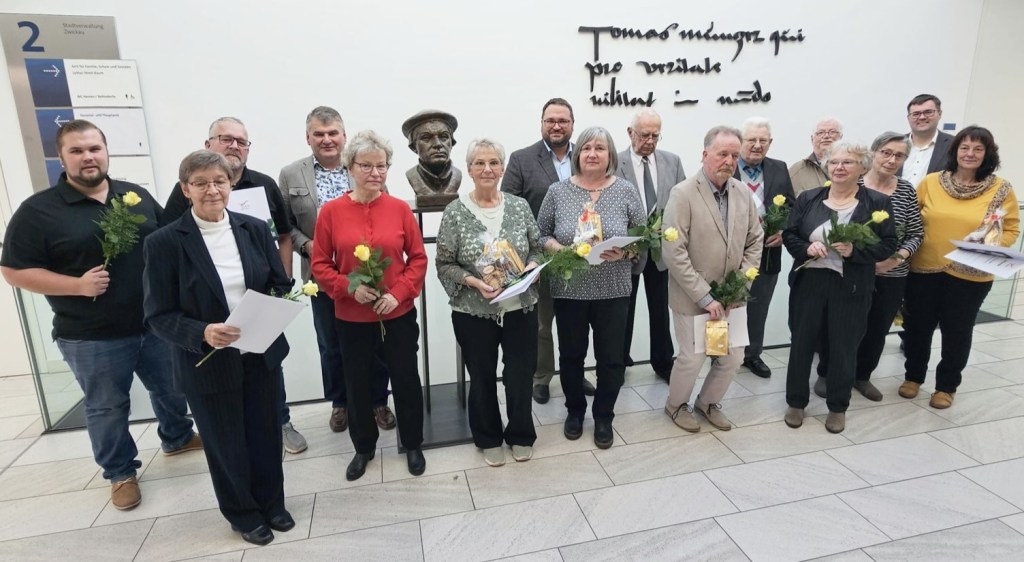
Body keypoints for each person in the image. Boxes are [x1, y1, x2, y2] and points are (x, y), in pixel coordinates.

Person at [0, 120, 200, 512]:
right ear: (61, 158)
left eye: (94, 148)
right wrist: (76, 286)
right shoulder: (38, 211)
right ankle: (120, 472)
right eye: (76, 151)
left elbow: (168, 239)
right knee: (107, 406)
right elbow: (13, 270)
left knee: (172, 388)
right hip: (91, 335)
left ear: (106, 151)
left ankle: (177, 437)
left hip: (153, 323)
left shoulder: (134, 195)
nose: (87, 157)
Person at [143, 150, 292, 546]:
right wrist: (201, 332)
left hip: (259, 353)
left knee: (265, 433)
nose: (212, 190)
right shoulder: (164, 243)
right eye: (201, 183)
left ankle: (272, 503)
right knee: (226, 443)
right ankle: (242, 513)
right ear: (185, 189)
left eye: (220, 182)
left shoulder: (254, 228)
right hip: (206, 361)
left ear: (231, 185)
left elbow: (278, 281)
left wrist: (279, 302)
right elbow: (158, 315)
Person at [161, 117, 306, 454]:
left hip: (258, 297)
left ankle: (280, 420)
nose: (234, 146)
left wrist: (281, 282)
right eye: (226, 139)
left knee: (267, 365)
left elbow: (283, 235)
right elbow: (166, 241)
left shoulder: (265, 184)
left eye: (242, 141)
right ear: (208, 143)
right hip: (208, 310)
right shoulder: (185, 190)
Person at [310, 130, 428, 480]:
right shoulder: (331, 212)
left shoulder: (400, 209)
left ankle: (413, 443)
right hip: (352, 316)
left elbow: (418, 259)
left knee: (405, 379)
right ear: (349, 166)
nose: (376, 173)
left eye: (382, 166)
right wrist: (348, 287)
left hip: (398, 313)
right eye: (367, 166)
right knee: (357, 383)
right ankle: (363, 447)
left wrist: (399, 293)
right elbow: (319, 264)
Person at [278, 106, 394, 434]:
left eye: (333, 133)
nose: (327, 140)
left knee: (374, 341)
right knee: (331, 343)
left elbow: (383, 210)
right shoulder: (291, 174)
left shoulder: (363, 167)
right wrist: (308, 246)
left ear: (344, 136)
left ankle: (378, 401)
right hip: (322, 276)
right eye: (319, 134)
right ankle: (340, 402)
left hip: (368, 274)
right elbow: (285, 225)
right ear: (308, 138)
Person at [537, 126, 645, 449]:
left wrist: (624, 251)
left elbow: (642, 237)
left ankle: (603, 416)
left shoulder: (625, 190)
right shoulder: (558, 191)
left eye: (600, 148)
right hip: (570, 290)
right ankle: (574, 411)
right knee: (571, 355)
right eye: (586, 148)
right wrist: (561, 250)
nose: (593, 154)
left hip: (614, 289)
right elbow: (540, 235)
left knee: (611, 358)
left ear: (610, 154)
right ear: (577, 155)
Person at [436, 138, 542, 466]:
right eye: (480, 163)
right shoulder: (455, 212)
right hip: (473, 311)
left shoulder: (519, 206)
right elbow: (444, 263)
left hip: (519, 308)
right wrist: (472, 281)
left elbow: (536, 247)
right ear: (468, 170)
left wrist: (533, 266)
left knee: (520, 375)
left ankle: (521, 433)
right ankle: (488, 437)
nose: (487, 169)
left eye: (494, 162)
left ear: (503, 168)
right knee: (481, 377)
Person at [900, 126, 1019, 409]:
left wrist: (991, 240)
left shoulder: (1000, 189)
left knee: (958, 330)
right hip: (925, 267)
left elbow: (1011, 227)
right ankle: (913, 377)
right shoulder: (931, 182)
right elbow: (911, 218)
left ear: (988, 154)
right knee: (918, 326)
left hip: (971, 273)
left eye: (978, 149)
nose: (970, 154)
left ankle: (946, 386)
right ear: (954, 152)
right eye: (964, 147)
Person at [783, 141, 897, 434]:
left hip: (852, 287)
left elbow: (888, 244)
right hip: (810, 283)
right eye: (834, 162)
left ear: (862, 167)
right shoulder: (809, 198)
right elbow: (790, 235)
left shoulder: (877, 204)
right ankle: (796, 402)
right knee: (802, 344)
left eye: (847, 162)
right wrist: (808, 248)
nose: (839, 167)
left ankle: (838, 406)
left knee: (844, 347)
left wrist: (854, 252)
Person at [661, 126, 763, 433]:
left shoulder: (743, 193)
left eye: (734, 155)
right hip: (694, 297)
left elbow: (755, 242)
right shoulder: (683, 193)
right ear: (705, 154)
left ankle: (708, 403)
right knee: (692, 358)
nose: (729, 161)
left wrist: (739, 287)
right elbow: (673, 250)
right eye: (722, 154)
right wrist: (706, 297)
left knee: (732, 358)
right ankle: (676, 405)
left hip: (732, 298)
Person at [502, 98, 595, 404]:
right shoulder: (521, 159)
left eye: (563, 121)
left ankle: (575, 372)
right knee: (543, 324)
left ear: (572, 124)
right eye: (550, 120)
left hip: (581, 259)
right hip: (539, 257)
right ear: (541, 123)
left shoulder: (586, 157)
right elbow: (509, 209)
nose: (557, 126)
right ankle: (541, 377)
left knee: (577, 323)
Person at [819, 133, 923, 401]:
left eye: (899, 155)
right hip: (851, 270)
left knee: (877, 327)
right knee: (838, 325)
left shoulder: (906, 190)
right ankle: (826, 372)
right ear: (872, 155)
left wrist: (895, 258)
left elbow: (916, 234)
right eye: (886, 153)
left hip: (892, 273)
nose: (891, 160)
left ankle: (862, 376)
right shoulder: (853, 185)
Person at [614, 108, 686, 382]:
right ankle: (618, 363)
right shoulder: (614, 162)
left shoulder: (673, 162)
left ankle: (663, 363)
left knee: (661, 310)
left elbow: (681, 203)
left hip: (661, 252)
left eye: (656, 135)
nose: (650, 141)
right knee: (624, 312)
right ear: (630, 133)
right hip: (627, 253)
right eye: (645, 135)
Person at [733, 117, 795, 379]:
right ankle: (722, 355)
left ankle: (752, 354)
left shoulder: (779, 168)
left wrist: (784, 231)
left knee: (759, 305)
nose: (757, 145)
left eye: (763, 140)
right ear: (741, 142)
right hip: (730, 253)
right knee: (728, 304)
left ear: (770, 143)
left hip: (768, 252)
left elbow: (792, 206)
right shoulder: (726, 164)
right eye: (751, 140)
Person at [402, 110, 463, 207]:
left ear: (452, 143)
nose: (438, 144)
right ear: (414, 146)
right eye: (426, 138)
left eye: (444, 136)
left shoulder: (457, 175)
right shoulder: (411, 175)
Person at [900, 94, 955, 189]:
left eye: (928, 112)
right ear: (908, 118)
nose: (922, 117)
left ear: (940, 114)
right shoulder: (895, 144)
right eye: (916, 114)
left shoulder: (954, 145)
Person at [789, 118, 843, 195]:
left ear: (841, 137)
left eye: (832, 132)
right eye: (820, 133)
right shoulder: (796, 171)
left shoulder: (854, 167)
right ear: (812, 139)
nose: (826, 136)